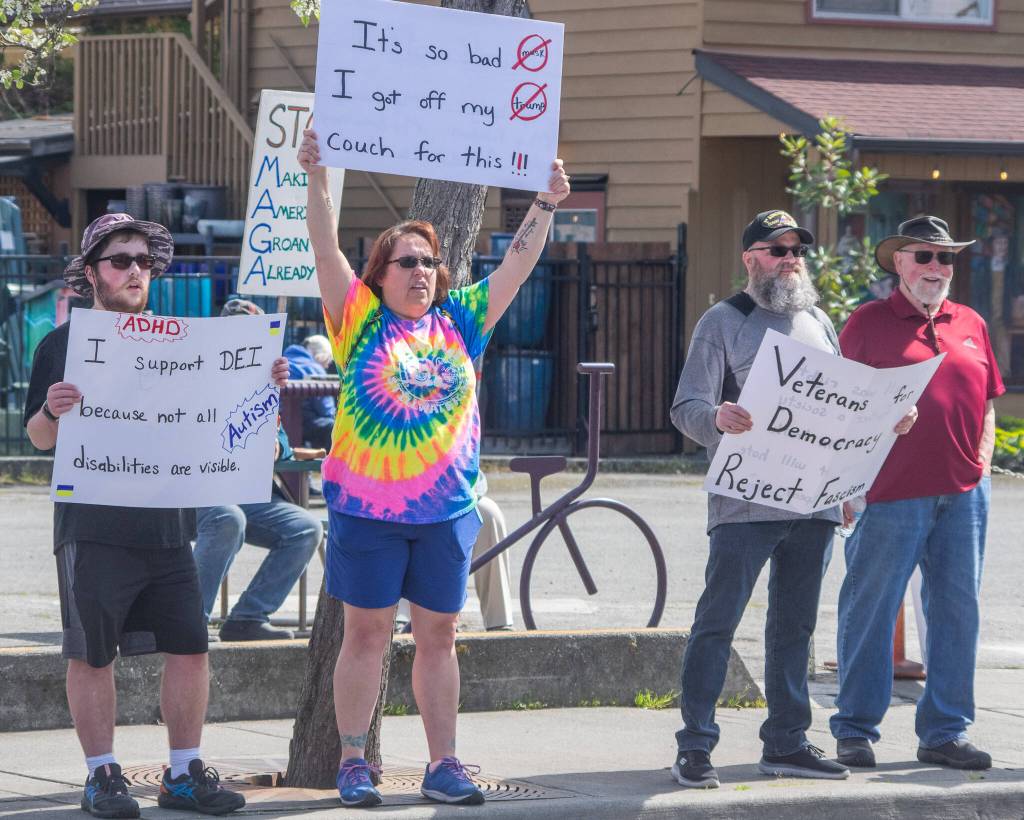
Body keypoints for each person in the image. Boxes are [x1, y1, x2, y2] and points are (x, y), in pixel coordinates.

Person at [298, 128, 569, 808]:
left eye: (429, 261)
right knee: (365, 634)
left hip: (447, 512)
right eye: (406, 261)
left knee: (439, 635)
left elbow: (516, 267)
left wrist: (545, 204)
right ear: (380, 274)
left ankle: (443, 763)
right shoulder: (357, 318)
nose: (421, 270)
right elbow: (325, 248)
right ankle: (353, 762)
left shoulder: (462, 320)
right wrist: (317, 175)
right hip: (367, 512)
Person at [22, 213, 281, 818]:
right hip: (92, 528)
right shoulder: (62, 345)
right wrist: (53, 411)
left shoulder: (183, 343)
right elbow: (37, 437)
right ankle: (101, 775)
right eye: (121, 260)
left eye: (145, 261)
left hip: (169, 527)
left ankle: (184, 772)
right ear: (92, 273)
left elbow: (227, 425)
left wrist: (259, 383)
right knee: (92, 654)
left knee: (191, 647)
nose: (136, 270)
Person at [668, 209, 918, 789]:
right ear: (749, 258)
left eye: (797, 251)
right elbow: (686, 408)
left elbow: (840, 412)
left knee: (795, 628)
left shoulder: (820, 322)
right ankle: (695, 745)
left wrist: (885, 427)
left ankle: (786, 742)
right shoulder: (723, 321)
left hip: (816, 503)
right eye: (777, 249)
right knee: (718, 622)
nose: (790, 260)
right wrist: (717, 417)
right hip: (746, 501)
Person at [831, 216, 1003, 771]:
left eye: (945, 257)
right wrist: (844, 482)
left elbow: (988, 402)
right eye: (924, 256)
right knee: (871, 610)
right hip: (888, 494)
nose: (936, 267)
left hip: (964, 494)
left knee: (957, 613)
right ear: (899, 263)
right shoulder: (868, 322)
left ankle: (946, 732)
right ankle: (855, 729)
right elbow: (837, 406)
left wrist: (982, 463)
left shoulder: (972, 322)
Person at [192, 299, 324, 642]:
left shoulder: (263, 382)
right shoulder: (194, 373)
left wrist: (276, 446)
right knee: (227, 518)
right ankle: (189, 623)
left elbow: (281, 441)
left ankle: (248, 617)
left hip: (247, 494)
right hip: (194, 493)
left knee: (306, 528)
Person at [283, 333, 337, 450]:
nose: (327, 367)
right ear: (321, 356)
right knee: (335, 426)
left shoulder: (285, 362)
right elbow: (326, 410)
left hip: (280, 423)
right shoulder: (315, 369)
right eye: (328, 361)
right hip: (303, 425)